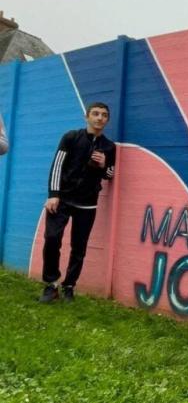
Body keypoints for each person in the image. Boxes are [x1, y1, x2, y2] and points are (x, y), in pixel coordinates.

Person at [39, 102, 116, 303]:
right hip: (62, 199)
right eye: (96, 114)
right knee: (52, 238)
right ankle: (51, 284)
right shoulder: (71, 137)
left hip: (87, 203)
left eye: (104, 115)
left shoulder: (109, 146)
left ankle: (69, 287)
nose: (100, 118)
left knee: (79, 247)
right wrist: (53, 194)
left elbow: (109, 175)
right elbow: (57, 165)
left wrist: (103, 165)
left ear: (107, 120)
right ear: (87, 116)